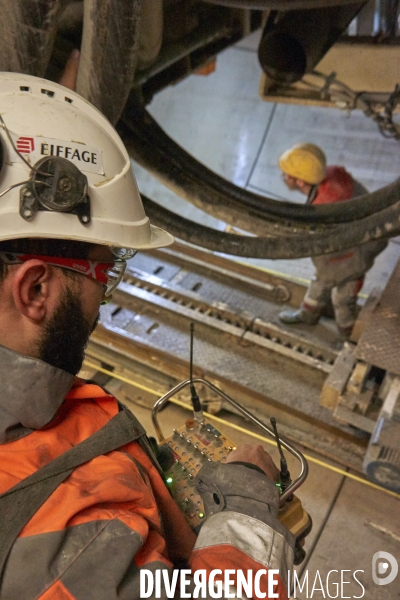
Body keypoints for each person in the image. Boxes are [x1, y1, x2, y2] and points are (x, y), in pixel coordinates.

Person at [0, 73, 295, 599]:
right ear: (36, 290)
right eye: (102, 275)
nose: (103, 303)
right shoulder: (80, 535)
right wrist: (246, 505)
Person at [278, 143, 387, 339]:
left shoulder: (325, 206)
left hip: (359, 248)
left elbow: (323, 243)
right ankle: (309, 314)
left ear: (301, 181)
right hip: (360, 237)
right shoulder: (330, 174)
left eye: (287, 175)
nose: (284, 178)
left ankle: (348, 336)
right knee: (323, 276)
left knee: (342, 296)